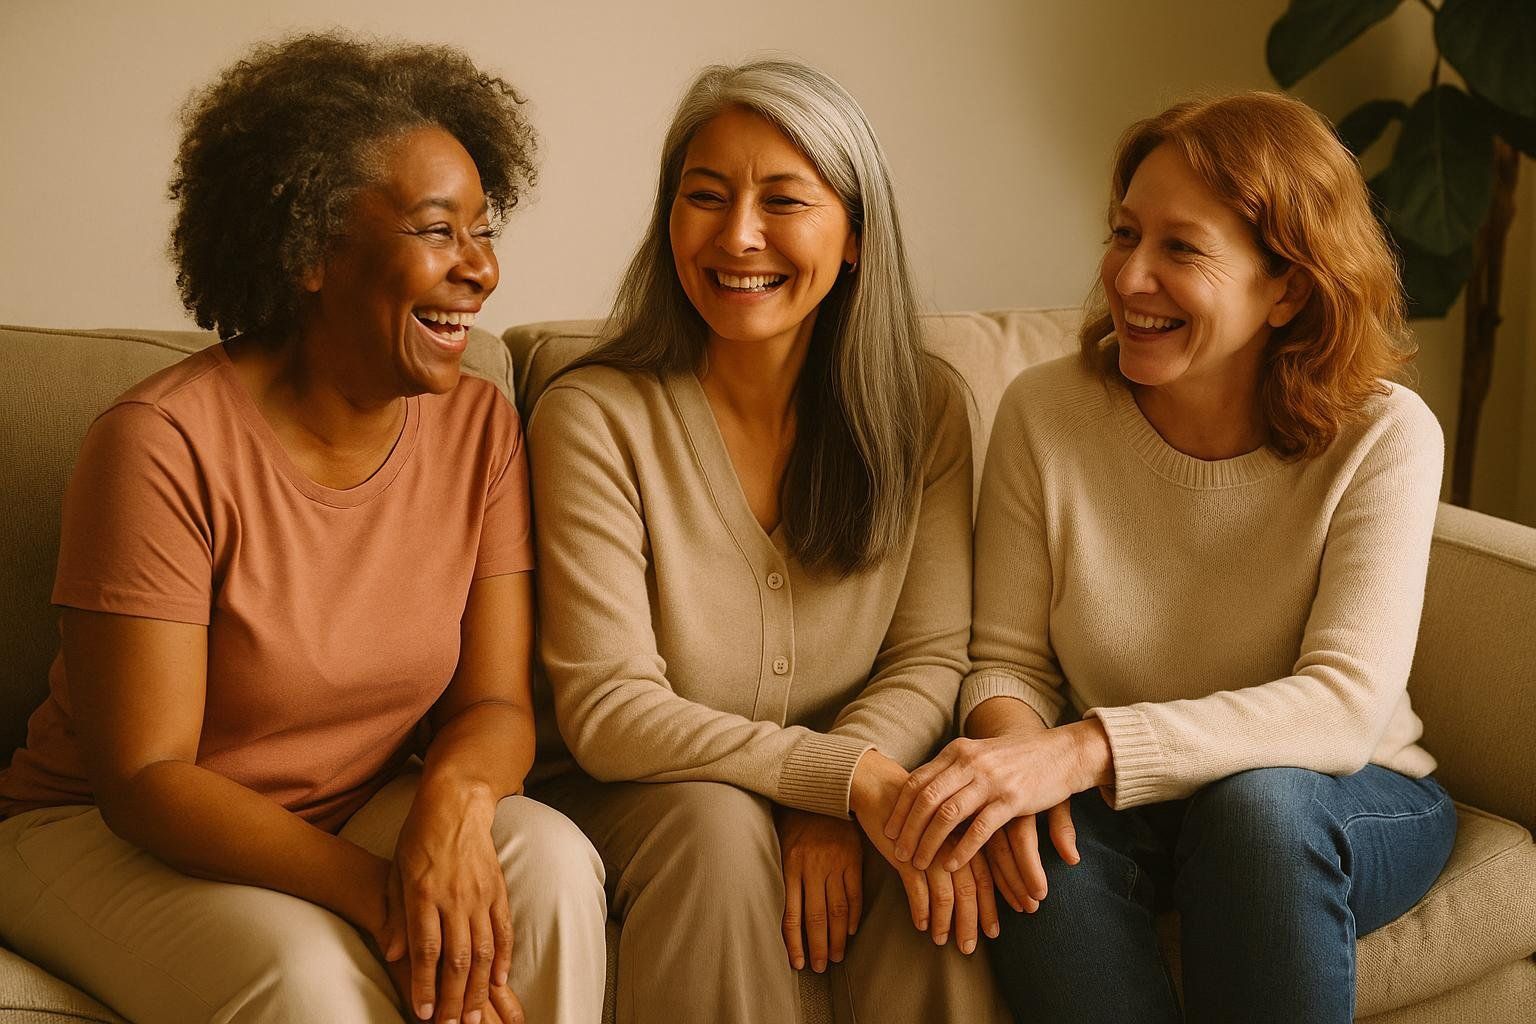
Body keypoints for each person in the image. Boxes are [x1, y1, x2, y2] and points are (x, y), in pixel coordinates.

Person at [0, 33, 605, 1024]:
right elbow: (147, 776)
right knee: (312, 979)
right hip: (96, 833)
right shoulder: (158, 444)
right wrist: (381, 893)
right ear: (315, 250)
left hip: (353, 803)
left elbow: (495, 703)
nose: (480, 269)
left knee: (548, 860)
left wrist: (451, 808)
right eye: (436, 231)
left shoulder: (481, 424)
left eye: (484, 230)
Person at [882, 91, 1457, 1024]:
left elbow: (1345, 705)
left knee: (1256, 814)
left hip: (1347, 797)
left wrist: (1080, 747)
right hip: (1128, 808)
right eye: (1122, 235)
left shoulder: (1384, 436)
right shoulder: (1046, 413)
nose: (1129, 276)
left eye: (1179, 249)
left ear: (1288, 286)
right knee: (1028, 854)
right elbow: (1009, 663)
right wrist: (1008, 758)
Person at [526, 59, 1010, 1024]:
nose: (737, 234)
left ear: (857, 237)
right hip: (636, 793)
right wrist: (838, 778)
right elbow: (612, 710)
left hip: (844, 777)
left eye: (783, 200)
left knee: (923, 840)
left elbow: (928, 658)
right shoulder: (593, 415)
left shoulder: (926, 411)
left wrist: (838, 800)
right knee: (717, 824)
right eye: (704, 197)